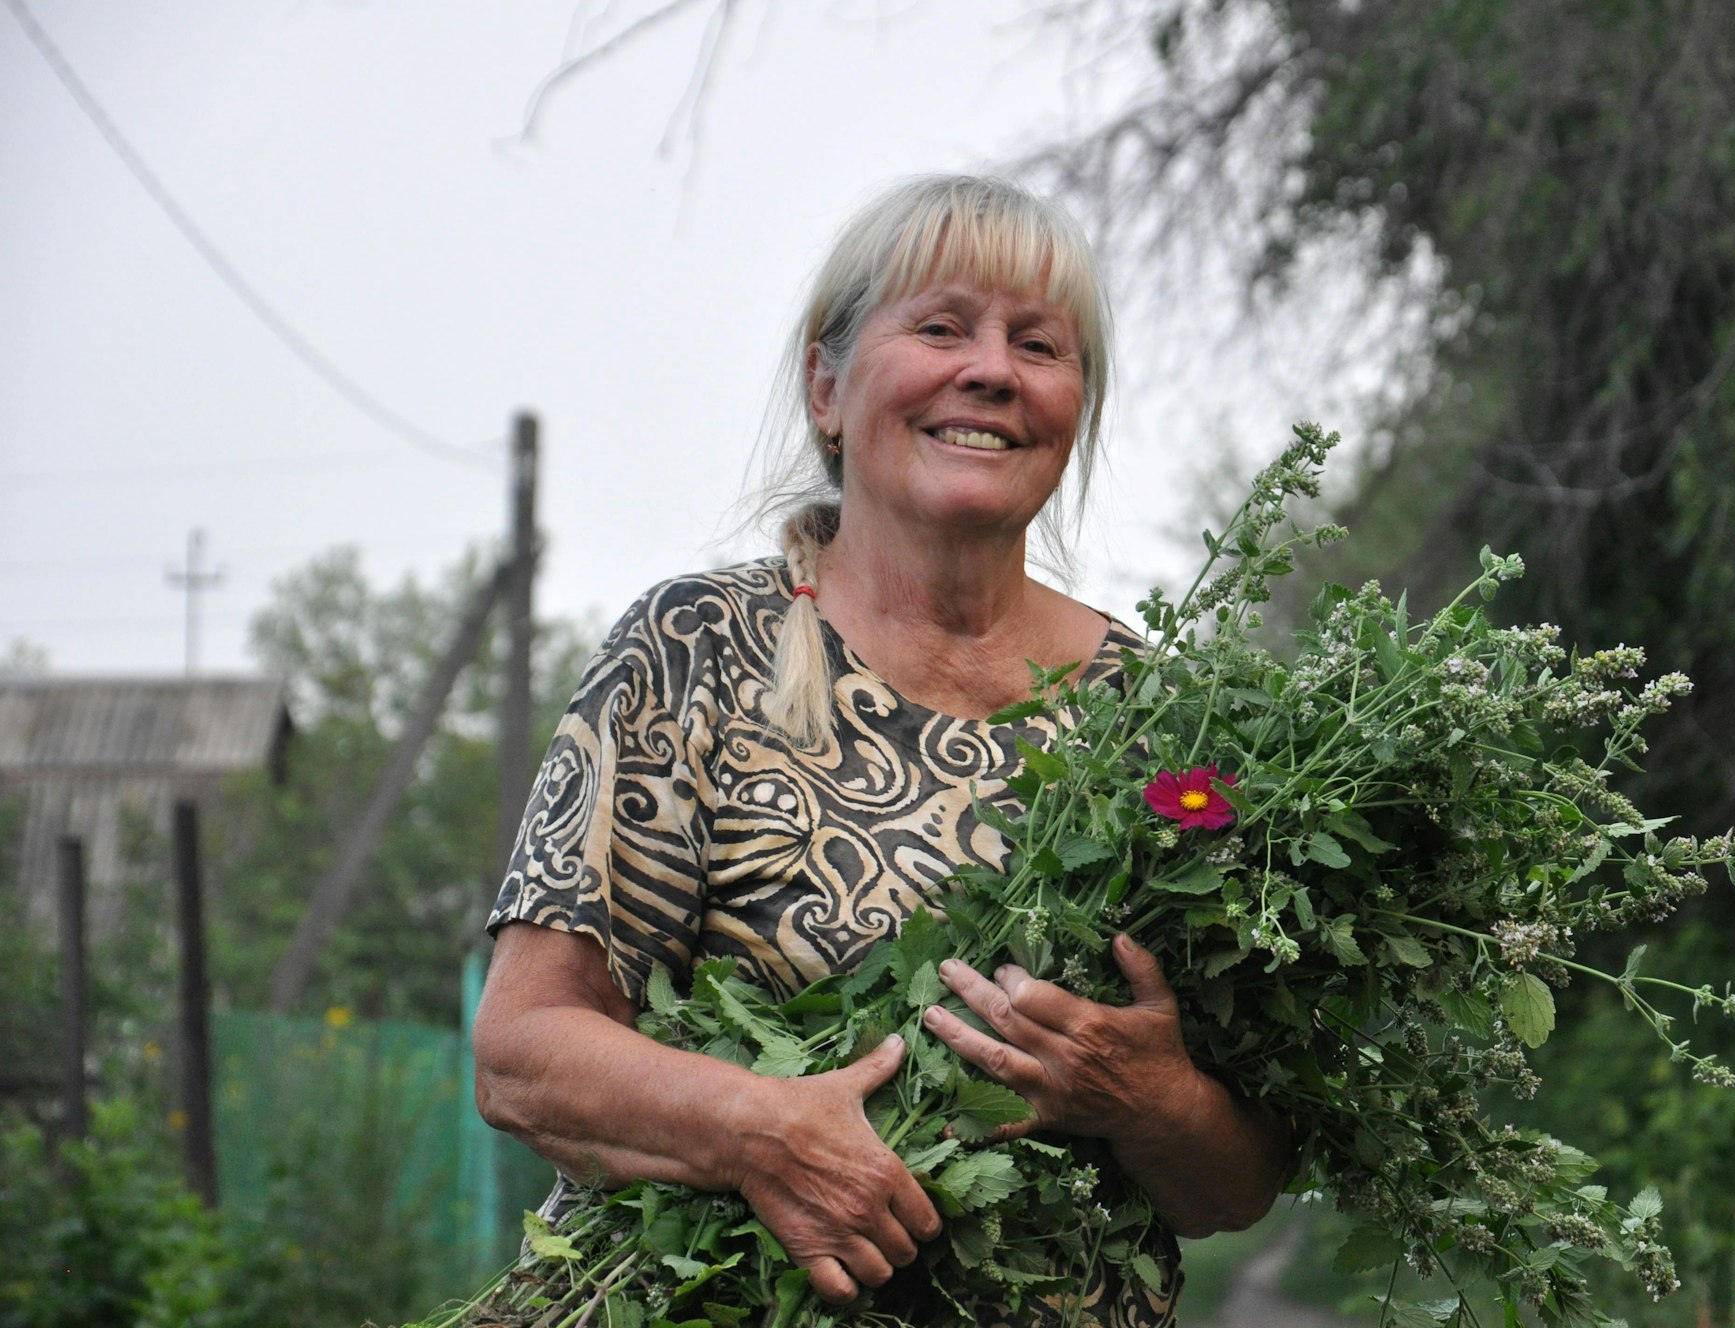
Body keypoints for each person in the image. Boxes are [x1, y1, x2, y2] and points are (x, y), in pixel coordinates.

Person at [472, 174, 1293, 1326]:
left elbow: (1236, 1183)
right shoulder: (701, 649)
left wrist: (1151, 1096)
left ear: (1074, 406)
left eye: (1040, 344)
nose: (992, 371)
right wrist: (761, 1127)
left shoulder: (1160, 718)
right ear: (826, 384)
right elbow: (522, 1049)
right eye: (942, 326)